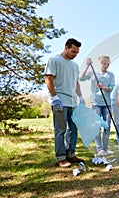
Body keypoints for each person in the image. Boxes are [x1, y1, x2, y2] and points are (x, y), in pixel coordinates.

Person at [44, 38, 85, 168]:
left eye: (77, 52)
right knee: (60, 129)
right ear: (66, 47)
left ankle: (71, 154)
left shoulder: (75, 65)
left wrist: (81, 97)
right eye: (73, 51)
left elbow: (76, 82)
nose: (75, 54)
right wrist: (54, 97)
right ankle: (61, 157)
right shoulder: (54, 60)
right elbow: (48, 78)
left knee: (73, 129)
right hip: (60, 101)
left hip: (73, 101)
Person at [80, 55, 115, 156]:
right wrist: (87, 66)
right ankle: (100, 149)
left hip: (107, 103)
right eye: (104, 63)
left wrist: (103, 87)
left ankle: (106, 148)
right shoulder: (93, 72)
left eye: (108, 64)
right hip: (96, 103)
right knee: (97, 126)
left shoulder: (111, 75)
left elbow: (111, 88)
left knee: (107, 126)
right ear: (100, 63)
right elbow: (81, 78)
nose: (106, 66)